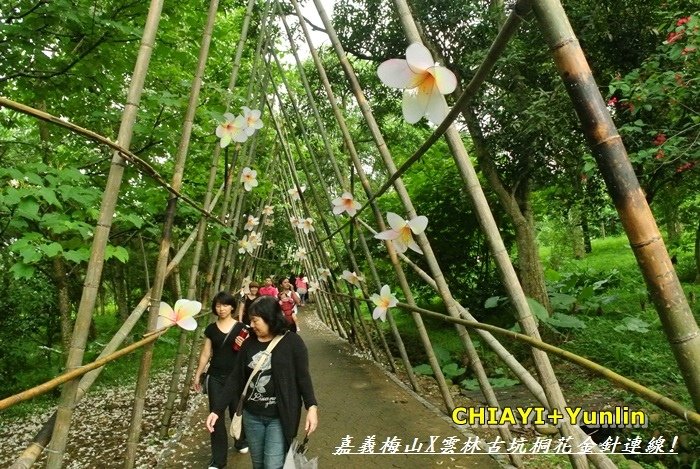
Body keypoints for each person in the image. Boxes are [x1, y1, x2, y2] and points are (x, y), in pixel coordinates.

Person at [206, 296, 318, 469]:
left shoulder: (293, 343)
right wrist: (217, 410)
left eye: (255, 320)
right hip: (252, 416)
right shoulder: (248, 343)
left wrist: (311, 407)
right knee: (258, 464)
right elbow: (235, 378)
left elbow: (303, 377)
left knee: (273, 465)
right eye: (250, 320)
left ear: (270, 318)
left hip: (279, 417)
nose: (251, 325)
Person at [194, 291, 250, 468]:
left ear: (232, 306)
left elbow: (248, 355)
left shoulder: (242, 328)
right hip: (215, 377)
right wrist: (198, 374)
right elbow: (206, 353)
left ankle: (240, 441)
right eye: (218, 305)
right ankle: (218, 460)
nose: (222, 308)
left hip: (236, 378)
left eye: (225, 305)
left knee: (237, 413)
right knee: (216, 417)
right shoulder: (211, 329)